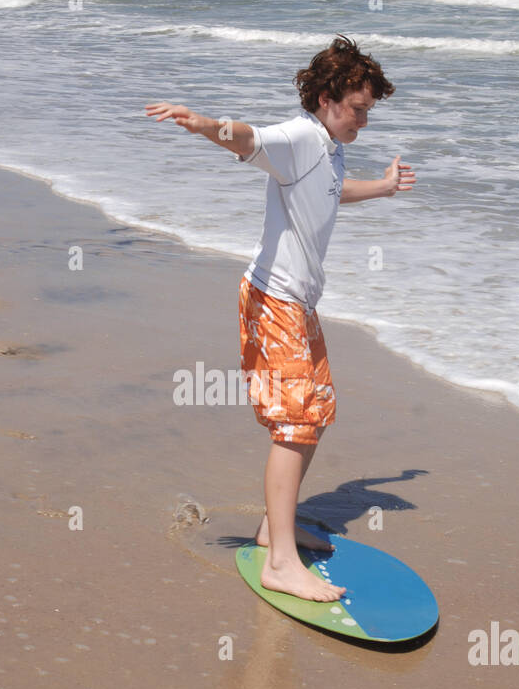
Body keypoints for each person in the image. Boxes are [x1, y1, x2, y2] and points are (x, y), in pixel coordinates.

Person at [146, 35, 414, 602]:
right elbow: (249, 139)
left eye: (368, 113)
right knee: (294, 425)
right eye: (357, 110)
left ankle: (276, 529)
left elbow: (332, 193)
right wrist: (202, 123)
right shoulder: (298, 137)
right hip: (274, 303)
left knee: (315, 412)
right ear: (324, 97)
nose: (362, 123)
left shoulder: (328, 147)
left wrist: (385, 188)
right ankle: (280, 563)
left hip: (297, 302)